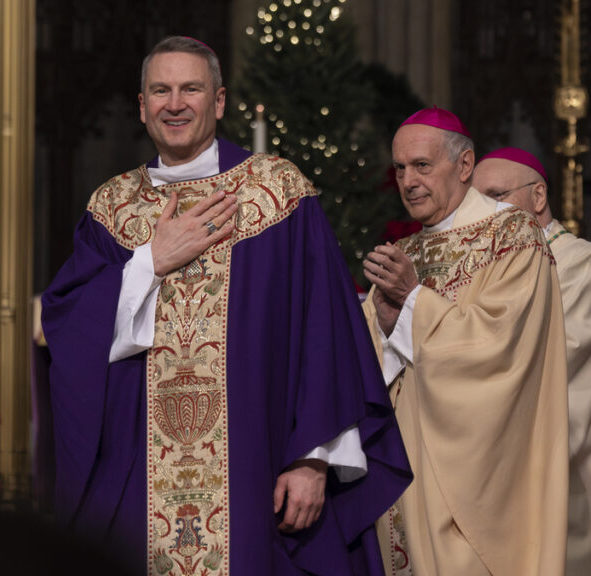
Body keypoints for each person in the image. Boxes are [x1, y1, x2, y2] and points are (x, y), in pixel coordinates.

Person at [41, 36, 411, 576]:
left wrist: (313, 458)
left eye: (191, 88)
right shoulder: (112, 208)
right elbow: (71, 331)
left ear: (217, 101)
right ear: (141, 106)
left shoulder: (278, 194)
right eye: (160, 90)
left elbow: (324, 330)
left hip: (256, 467)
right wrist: (149, 260)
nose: (175, 103)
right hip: (138, 471)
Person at [361, 108, 569, 576]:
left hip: (477, 477)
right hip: (402, 474)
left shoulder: (514, 235)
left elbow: (501, 347)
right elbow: (368, 354)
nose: (408, 180)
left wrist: (412, 302)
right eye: (399, 168)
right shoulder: (407, 250)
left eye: (422, 165)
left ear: (465, 165)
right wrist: (386, 323)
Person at [472, 148, 591, 576]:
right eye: (475, 201)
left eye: (495, 196)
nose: (484, 213)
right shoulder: (485, 266)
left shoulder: (581, 262)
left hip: (561, 465)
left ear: (539, 196)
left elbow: (560, 353)